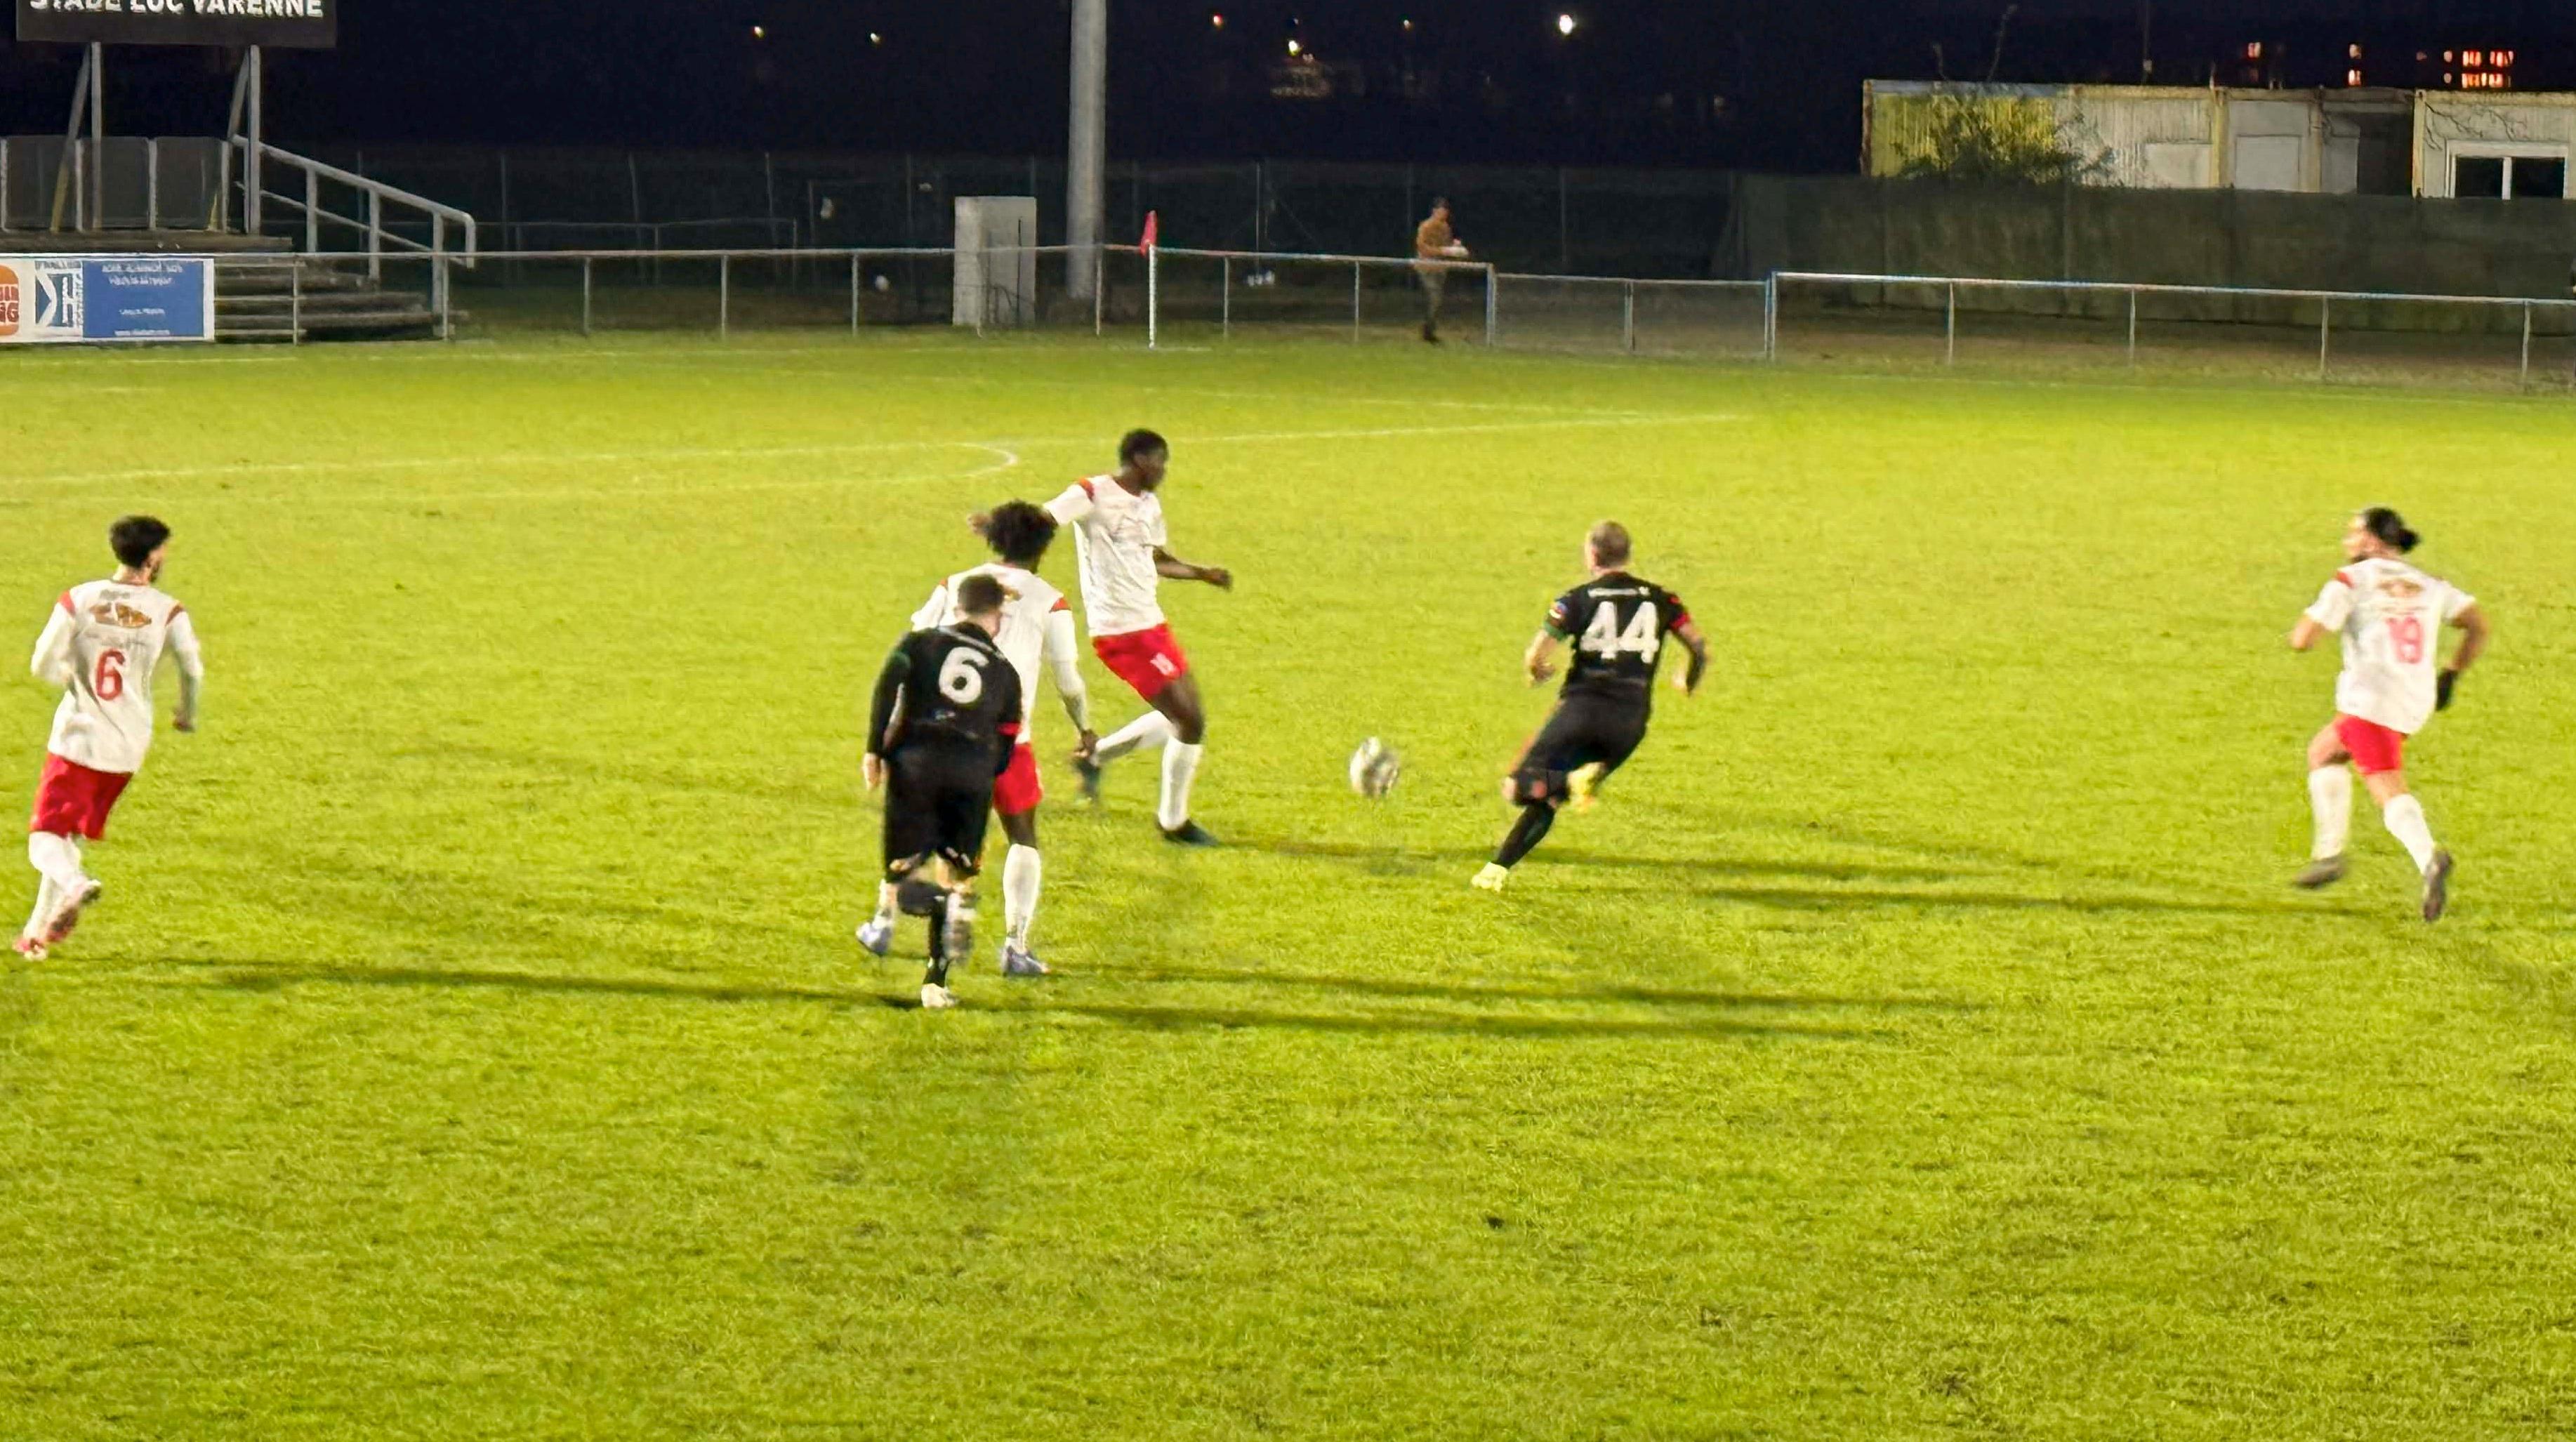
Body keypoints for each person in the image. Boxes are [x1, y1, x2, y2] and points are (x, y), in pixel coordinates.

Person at [868, 501, 1094, 977]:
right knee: (1022, 838)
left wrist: (889, 733)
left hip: (932, 734)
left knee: (913, 831)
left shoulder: (955, 585)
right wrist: (1083, 727)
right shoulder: (1049, 600)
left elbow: (913, 651)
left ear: (993, 539)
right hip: (1007, 740)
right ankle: (1015, 944)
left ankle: (883, 922)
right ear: (1043, 547)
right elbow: (1068, 679)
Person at [1474, 522, 1706, 892]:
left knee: (1521, 789)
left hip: (1580, 713)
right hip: (1630, 722)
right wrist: (1688, 679)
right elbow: (1697, 647)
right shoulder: (1664, 600)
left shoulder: (1577, 599)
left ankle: (1565, 782)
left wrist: (1538, 672)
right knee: (1553, 796)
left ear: (1592, 555)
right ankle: (1496, 870)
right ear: (1626, 555)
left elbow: (1537, 654)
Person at [18, 515, 203, 960]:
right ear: (153, 556)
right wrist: (187, 715)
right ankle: (36, 935)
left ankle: (77, 883)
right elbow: (193, 669)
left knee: (45, 839)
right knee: (67, 838)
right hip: (127, 748)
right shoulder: (167, 610)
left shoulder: (80, 599)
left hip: (78, 740)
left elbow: (42, 662)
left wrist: (71, 677)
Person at [2289, 506, 2487, 921]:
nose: (2347, 543)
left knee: (2387, 786)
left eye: (2353, 534)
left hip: (2369, 702)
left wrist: (2308, 624)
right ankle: (2329, 856)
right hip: (2414, 701)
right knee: (2323, 752)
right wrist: (2451, 674)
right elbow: (2477, 625)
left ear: (2374, 540)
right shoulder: (2429, 584)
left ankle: (2428, 857)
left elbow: (2303, 640)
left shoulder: (2351, 580)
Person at [1045, 430, 1232, 847]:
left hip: (1151, 624)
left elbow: (1157, 560)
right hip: (1119, 631)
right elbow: (1045, 518)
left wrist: (1203, 573)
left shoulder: (1149, 504)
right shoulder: (1092, 493)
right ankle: (1173, 822)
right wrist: (999, 528)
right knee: (1189, 721)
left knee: (1184, 719)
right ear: (1138, 458)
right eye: (1160, 461)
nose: (1164, 470)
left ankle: (1094, 759)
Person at [861, 574, 1024, 1010]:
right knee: (958, 871)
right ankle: (936, 980)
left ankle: (908, 912)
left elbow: (886, 685)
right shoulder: (1006, 672)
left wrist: (875, 750)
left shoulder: (919, 642)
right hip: (971, 772)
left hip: (915, 762)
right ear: (997, 617)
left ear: (957, 608)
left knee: (906, 868)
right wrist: (985, 773)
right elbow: (1008, 735)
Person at [1413, 198, 1470, 344]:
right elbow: (1422, 247)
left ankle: (1429, 329)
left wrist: (1456, 248)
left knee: (1436, 300)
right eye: (1441, 212)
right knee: (1434, 296)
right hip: (1426, 266)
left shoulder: (1445, 228)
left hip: (1440, 267)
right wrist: (1443, 250)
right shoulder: (1426, 226)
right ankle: (1428, 331)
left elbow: (1447, 248)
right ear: (1434, 211)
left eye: (1445, 212)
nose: (1443, 215)